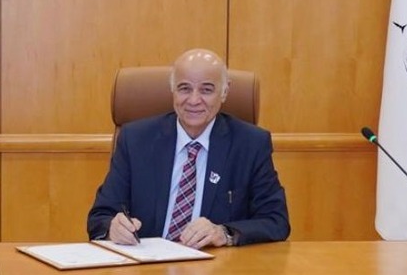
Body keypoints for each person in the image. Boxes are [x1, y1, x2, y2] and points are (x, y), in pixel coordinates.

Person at [87, 48, 290, 248]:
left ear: (225, 91)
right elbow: (100, 217)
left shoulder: (251, 144)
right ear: (172, 89)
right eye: (184, 88)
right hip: (147, 264)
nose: (193, 100)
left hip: (216, 265)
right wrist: (113, 228)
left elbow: (276, 221)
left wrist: (224, 232)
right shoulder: (135, 140)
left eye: (206, 90)